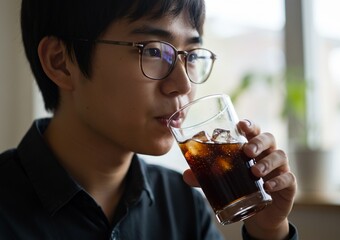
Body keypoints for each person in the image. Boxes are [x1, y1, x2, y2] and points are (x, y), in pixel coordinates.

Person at [0, 0, 298, 239]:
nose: (182, 85)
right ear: (60, 61)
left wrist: (268, 232)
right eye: (154, 51)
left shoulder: (183, 205)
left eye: (191, 55)